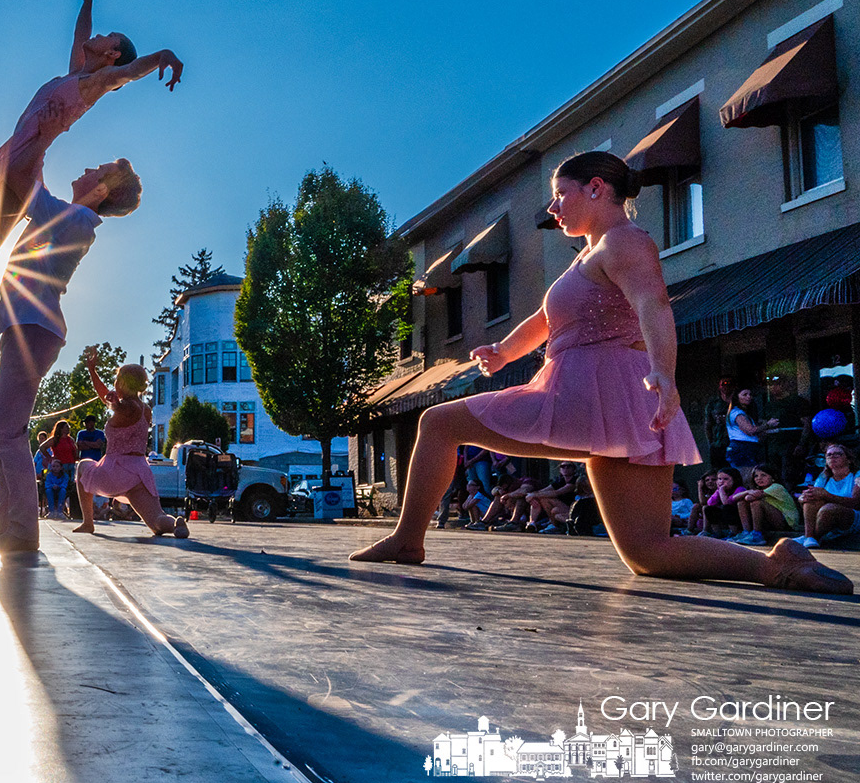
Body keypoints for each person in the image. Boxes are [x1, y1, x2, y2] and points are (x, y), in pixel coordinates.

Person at [351, 151, 849, 593]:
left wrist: (666, 375)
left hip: (597, 393)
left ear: (596, 189)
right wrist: (503, 350)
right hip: (608, 400)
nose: (553, 207)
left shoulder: (624, 242)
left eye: (560, 194)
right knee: (648, 553)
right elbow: (545, 319)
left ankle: (407, 540)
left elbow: (654, 305)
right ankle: (777, 564)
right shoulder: (590, 254)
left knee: (438, 423)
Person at [0, 0, 184, 396]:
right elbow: (82, 35)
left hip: (16, 178)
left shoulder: (95, 83)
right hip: (17, 174)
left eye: (108, 37)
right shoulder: (77, 73)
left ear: (111, 54)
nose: (98, 35)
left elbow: (128, 73)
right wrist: (89, 1)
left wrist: (162, 55)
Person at [0, 158, 146, 554]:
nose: (87, 168)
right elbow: (32, 184)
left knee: (7, 432)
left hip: (33, 328)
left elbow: (26, 180)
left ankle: (23, 530)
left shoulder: (73, 218)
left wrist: (37, 140)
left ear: (101, 190)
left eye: (97, 170)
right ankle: (3, 523)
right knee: (6, 430)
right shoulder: (69, 217)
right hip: (28, 327)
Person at [72, 348, 187, 538]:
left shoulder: (125, 407)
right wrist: (93, 373)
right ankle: (175, 524)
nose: (114, 384)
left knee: (83, 466)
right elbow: (108, 398)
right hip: (140, 472)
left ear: (123, 383)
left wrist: (96, 377)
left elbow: (117, 405)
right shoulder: (146, 409)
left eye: (117, 380)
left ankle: (88, 523)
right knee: (156, 521)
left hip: (115, 471)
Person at [796, 443, 857, 548]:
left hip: (851, 517)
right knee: (811, 499)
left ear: (848, 460)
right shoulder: (824, 477)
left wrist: (827, 496)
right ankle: (810, 537)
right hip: (823, 516)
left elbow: (856, 502)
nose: (832, 457)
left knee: (828, 509)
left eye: (837, 454)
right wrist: (804, 498)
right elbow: (814, 493)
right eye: (829, 455)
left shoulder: (857, 476)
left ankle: (810, 536)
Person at [729, 466, 800, 546]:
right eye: (756, 476)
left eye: (763, 475)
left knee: (756, 503)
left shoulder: (776, 487)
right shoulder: (758, 490)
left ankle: (757, 535)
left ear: (773, 477)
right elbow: (733, 498)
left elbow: (749, 498)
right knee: (741, 502)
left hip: (786, 523)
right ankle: (746, 532)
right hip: (769, 521)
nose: (759, 478)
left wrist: (748, 493)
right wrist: (748, 491)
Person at [725, 389, 775, 471]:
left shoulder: (744, 413)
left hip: (746, 447)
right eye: (744, 395)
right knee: (747, 473)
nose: (749, 397)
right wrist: (768, 425)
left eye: (750, 394)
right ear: (737, 397)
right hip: (742, 448)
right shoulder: (737, 413)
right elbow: (750, 430)